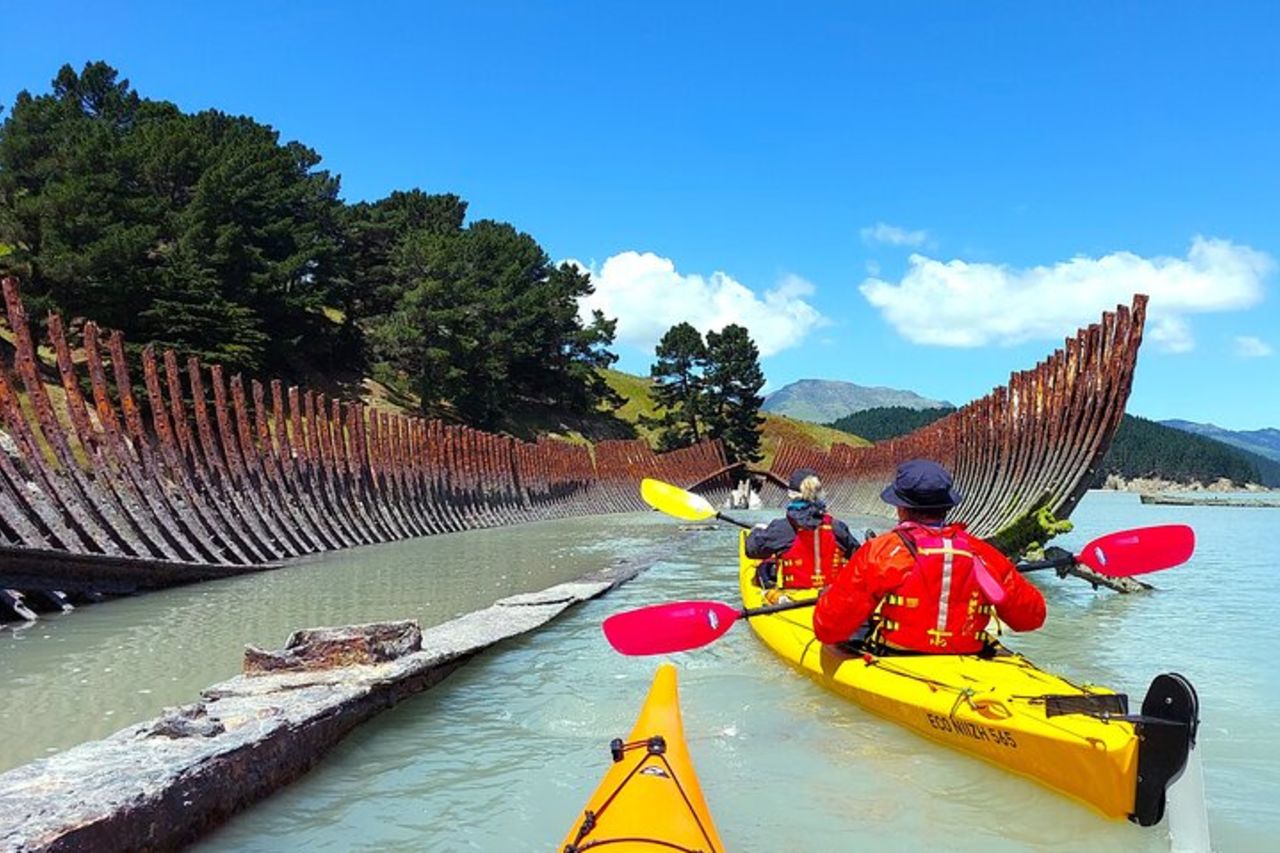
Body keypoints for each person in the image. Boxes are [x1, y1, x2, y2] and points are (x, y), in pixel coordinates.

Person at [813, 459, 1045, 653]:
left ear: (900, 508)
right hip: (970, 657)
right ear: (947, 506)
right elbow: (1032, 619)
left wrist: (828, 596)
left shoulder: (880, 552)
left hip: (898, 658)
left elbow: (828, 628)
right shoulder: (983, 553)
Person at [745, 468, 858, 591]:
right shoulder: (837, 527)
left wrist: (757, 531)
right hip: (832, 599)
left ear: (791, 495)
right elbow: (858, 556)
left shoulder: (781, 528)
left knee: (764, 569)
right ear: (819, 494)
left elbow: (751, 550)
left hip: (795, 601)